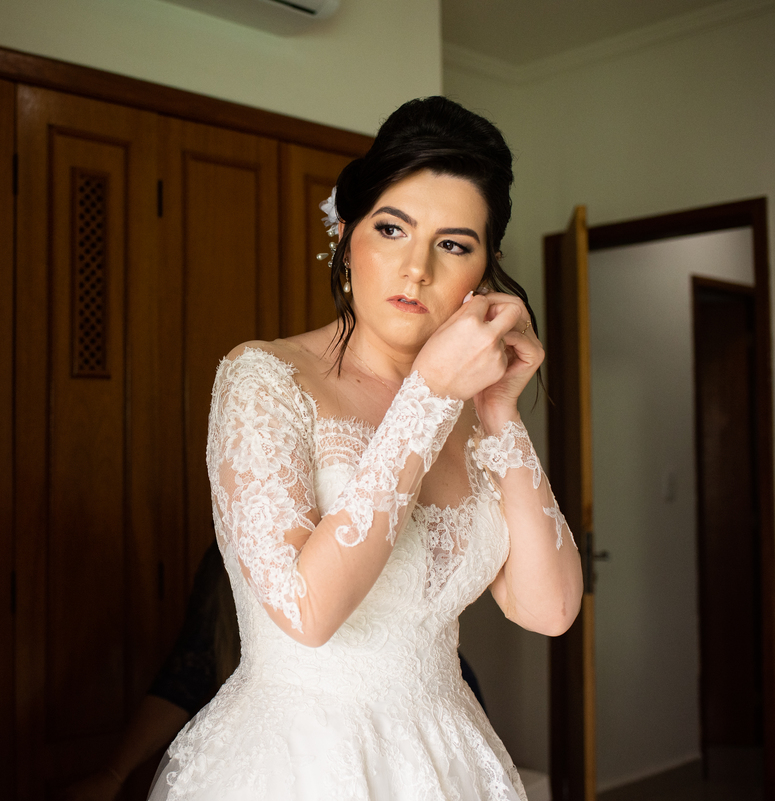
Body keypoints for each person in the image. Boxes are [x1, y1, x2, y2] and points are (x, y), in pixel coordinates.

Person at [148, 97, 583, 800]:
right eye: (391, 228)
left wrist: (499, 409)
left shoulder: (474, 412)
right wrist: (430, 396)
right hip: (298, 761)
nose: (416, 269)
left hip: (447, 758)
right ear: (347, 234)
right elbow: (307, 612)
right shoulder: (265, 378)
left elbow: (550, 609)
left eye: (453, 244)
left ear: (485, 270)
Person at [61, 543, 489, 801]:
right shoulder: (245, 546)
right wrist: (114, 774)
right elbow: (186, 674)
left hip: (433, 707)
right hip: (296, 739)